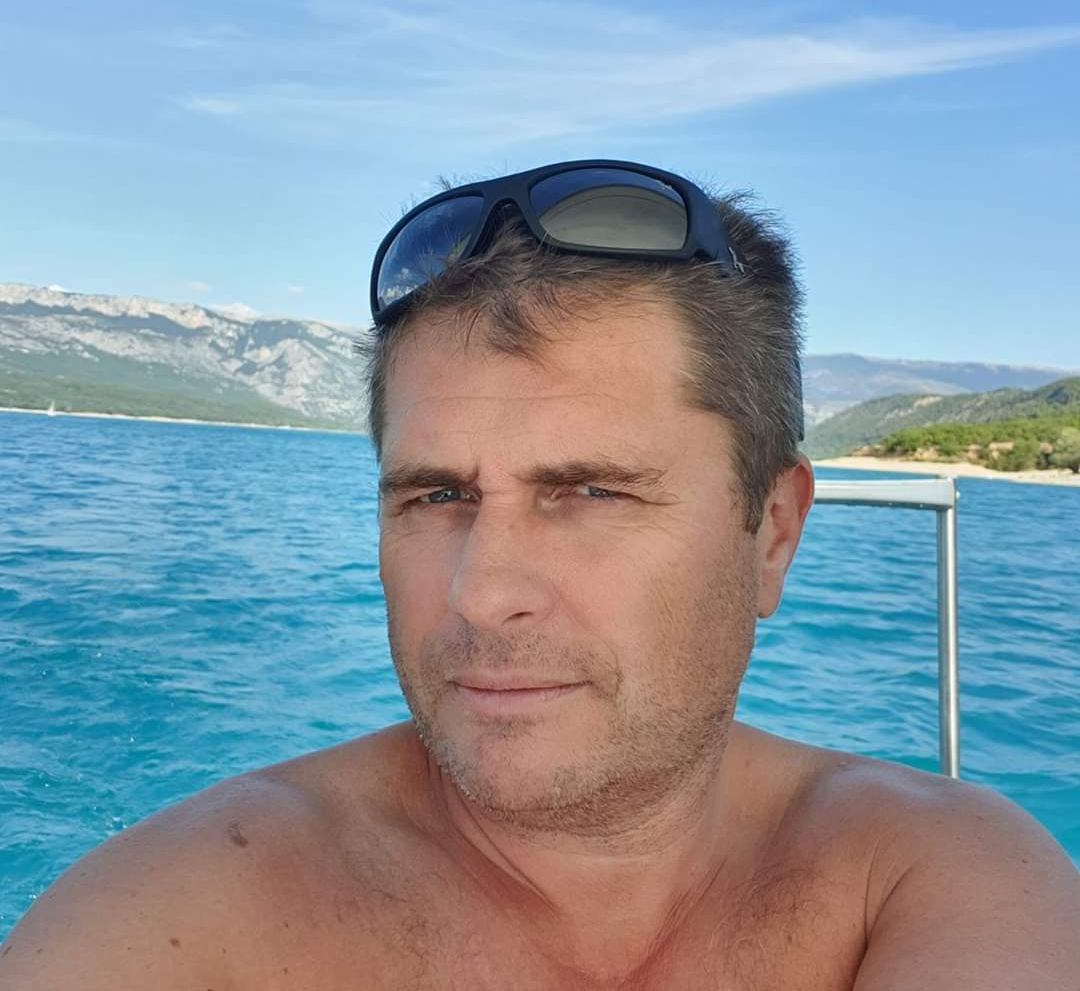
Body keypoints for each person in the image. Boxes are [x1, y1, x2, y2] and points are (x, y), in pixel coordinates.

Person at [3, 160, 1078, 990]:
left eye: (591, 492)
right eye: (437, 496)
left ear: (772, 534)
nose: (480, 593)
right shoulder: (192, 916)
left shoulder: (929, 877)